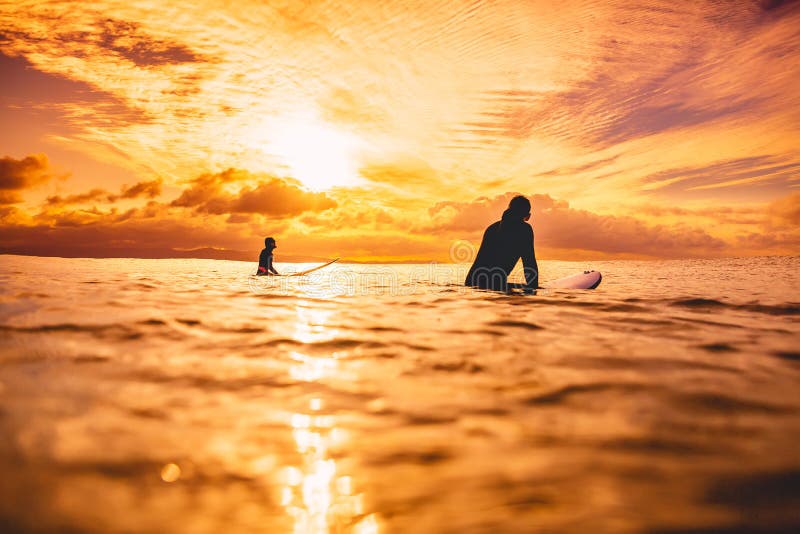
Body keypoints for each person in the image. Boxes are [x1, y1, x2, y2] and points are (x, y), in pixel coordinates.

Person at [464, 195, 539, 292]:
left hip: (471, 282)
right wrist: (535, 290)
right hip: (492, 285)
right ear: (528, 216)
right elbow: (529, 264)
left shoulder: (492, 228)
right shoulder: (524, 230)